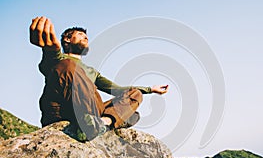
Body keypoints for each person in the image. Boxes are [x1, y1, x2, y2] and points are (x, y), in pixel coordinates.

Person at [29, 16, 169, 141]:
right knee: (70, 66)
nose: (85, 37)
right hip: (63, 111)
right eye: (80, 35)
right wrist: (50, 50)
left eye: (86, 36)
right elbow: (48, 63)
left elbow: (116, 90)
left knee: (134, 95)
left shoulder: (92, 72)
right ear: (67, 39)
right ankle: (95, 124)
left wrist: (150, 89)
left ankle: (103, 122)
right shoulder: (59, 61)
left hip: (91, 114)